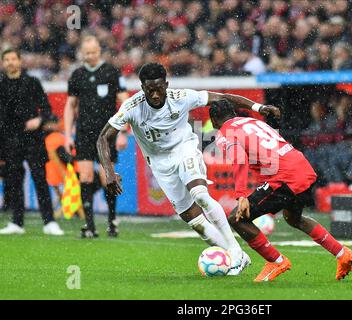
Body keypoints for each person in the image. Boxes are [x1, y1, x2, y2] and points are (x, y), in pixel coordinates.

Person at [97, 62, 280, 275]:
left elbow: (222, 97)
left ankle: (235, 253)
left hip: (185, 149)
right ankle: (235, 254)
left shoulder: (181, 97)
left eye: (159, 88)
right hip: (159, 164)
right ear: (142, 87)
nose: (155, 95)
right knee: (195, 220)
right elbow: (103, 137)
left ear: (166, 84)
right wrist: (109, 171)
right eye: (149, 90)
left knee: (200, 195)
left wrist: (258, 108)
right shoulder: (132, 107)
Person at [209, 99, 352, 282]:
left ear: (215, 121)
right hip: (302, 167)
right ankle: (342, 253)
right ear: (233, 113)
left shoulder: (224, 133)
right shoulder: (254, 122)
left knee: (237, 218)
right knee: (294, 218)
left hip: (284, 177)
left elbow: (239, 160)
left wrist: (241, 196)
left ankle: (275, 261)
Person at [64, 36, 129, 238]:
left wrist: (123, 131)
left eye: (93, 52)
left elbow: (125, 102)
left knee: (106, 177)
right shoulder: (77, 74)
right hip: (83, 133)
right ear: (82, 53)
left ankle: (111, 222)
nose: (90, 56)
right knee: (85, 176)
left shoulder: (111, 72)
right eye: (87, 53)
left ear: (99, 51)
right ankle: (89, 225)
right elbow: (70, 105)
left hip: (106, 133)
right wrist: (68, 135)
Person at [0, 48, 64, 235]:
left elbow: (46, 109)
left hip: (32, 139)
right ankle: (17, 223)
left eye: (13, 59)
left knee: (39, 178)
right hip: (9, 140)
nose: (10, 62)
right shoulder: (1, 85)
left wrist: (39, 120)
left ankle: (49, 222)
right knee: (14, 181)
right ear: (3, 63)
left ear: (20, 61)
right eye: (7, 60)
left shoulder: (32, 82)